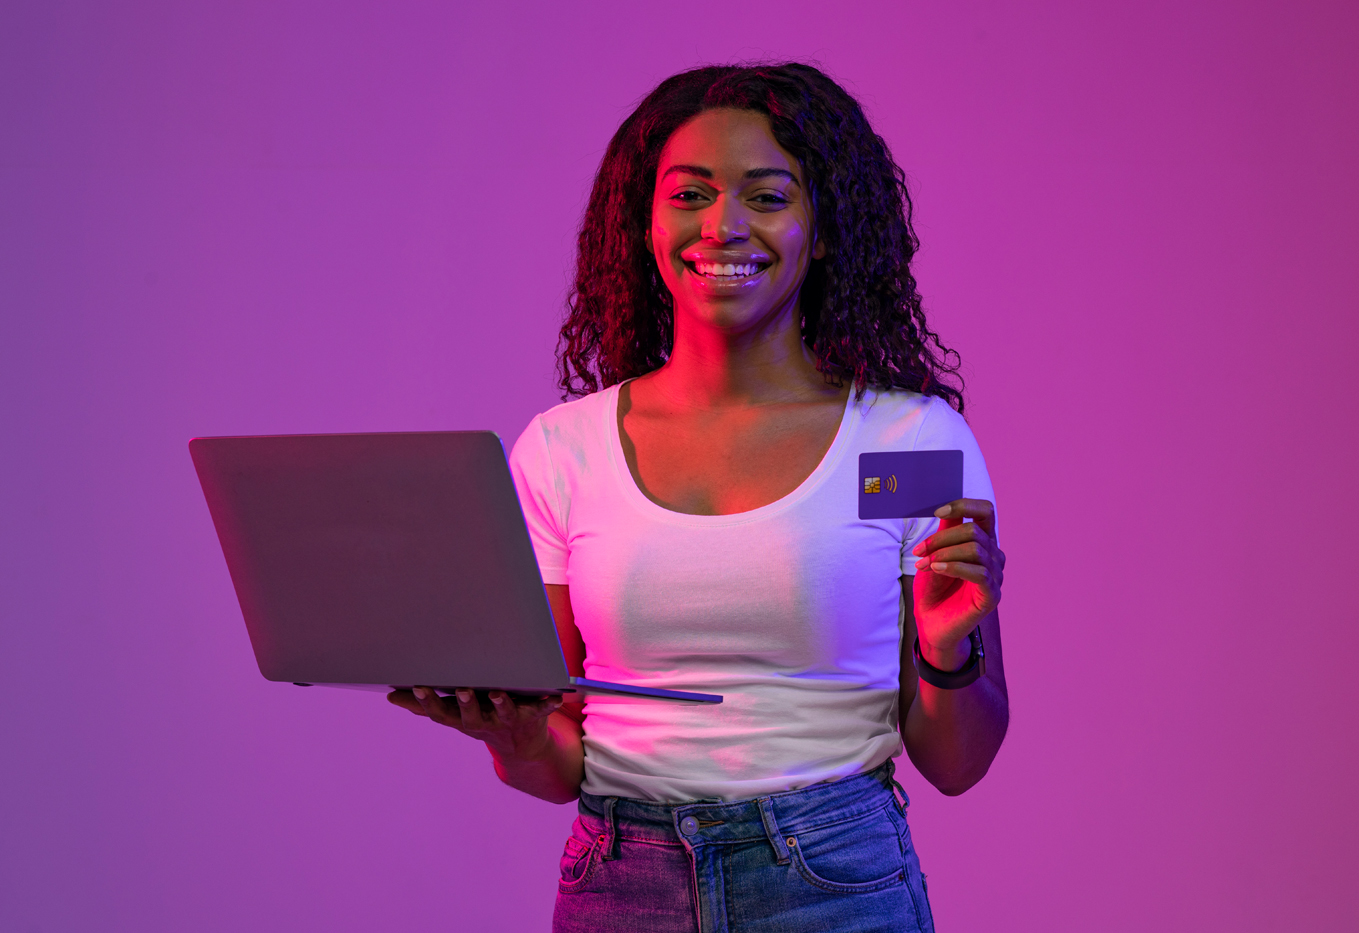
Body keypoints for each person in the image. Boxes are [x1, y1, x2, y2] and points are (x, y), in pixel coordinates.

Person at [388, 63, 1008, 933]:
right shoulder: (564, 451)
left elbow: (957, 762)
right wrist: (513, 736)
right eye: (689, 195)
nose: (722, 225)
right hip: (619, 882)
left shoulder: (902, 444)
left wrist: (945, 651)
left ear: (821, 231)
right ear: (646, 224)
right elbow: (554, 761)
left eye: (767, 196)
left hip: (833, 880)